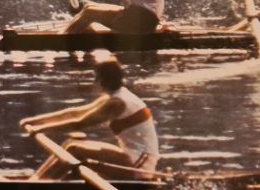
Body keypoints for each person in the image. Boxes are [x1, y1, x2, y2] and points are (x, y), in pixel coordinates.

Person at [19, 57, 159, 180]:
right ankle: (37, 180)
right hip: (131, 155)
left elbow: (79, 123)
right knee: (69, 144)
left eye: (98, 77)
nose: (95, 81)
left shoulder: (117, 103)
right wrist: (35, 121)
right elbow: (74, 113)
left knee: (74, 149)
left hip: (138, 166)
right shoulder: (116, 96)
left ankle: (39, 185)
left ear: (106, 79)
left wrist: (40, 129)